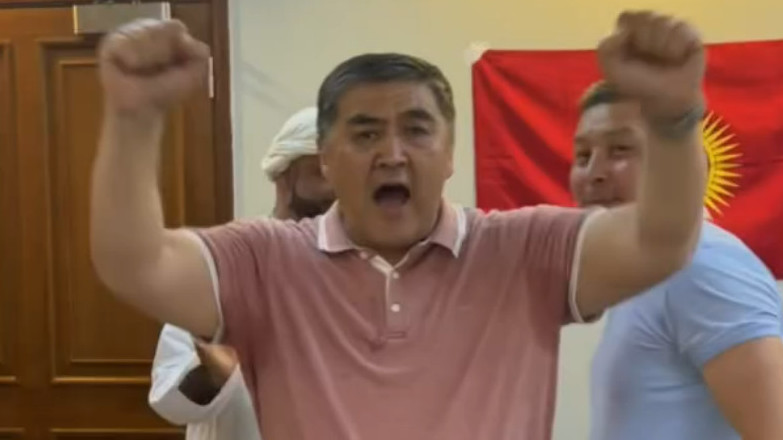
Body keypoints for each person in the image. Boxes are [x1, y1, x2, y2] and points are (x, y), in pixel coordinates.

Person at [90, 11, 708, 440]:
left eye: (415, 130)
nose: (392, 154)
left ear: (450, 153)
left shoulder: (523, 249)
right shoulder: (263, 260)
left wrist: (674, 122)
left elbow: (660, 240)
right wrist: (133, 121)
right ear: (326, 159)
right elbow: (136, 263)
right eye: (365, 134)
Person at [571, 80, 783, 440]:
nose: (594, 172)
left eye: (620, 149)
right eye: (583, 155)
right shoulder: (648, 270)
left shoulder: (703, 265)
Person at [147, 107, 332, 440]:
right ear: (283, 175)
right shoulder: (224, 262)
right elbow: (169, 400)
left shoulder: (372, 270)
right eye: (323, 170)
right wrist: (213, 371)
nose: (339, 188)